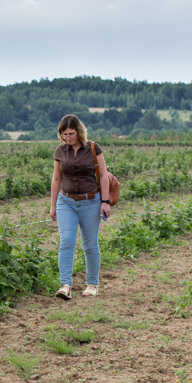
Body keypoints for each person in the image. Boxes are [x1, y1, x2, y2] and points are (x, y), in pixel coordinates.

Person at [48, 114, 112, 298]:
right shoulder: (60, 152)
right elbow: (57, 178)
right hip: (66, 201)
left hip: (90, 201)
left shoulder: (93, 148)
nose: (68, 138)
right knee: (66, 242)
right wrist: (53, 205)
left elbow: (104, 175)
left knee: (90, 244)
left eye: (71, 133)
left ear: (79, 132)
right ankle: (65, 285)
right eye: (64, 134)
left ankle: (92, 284)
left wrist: (105, 202)